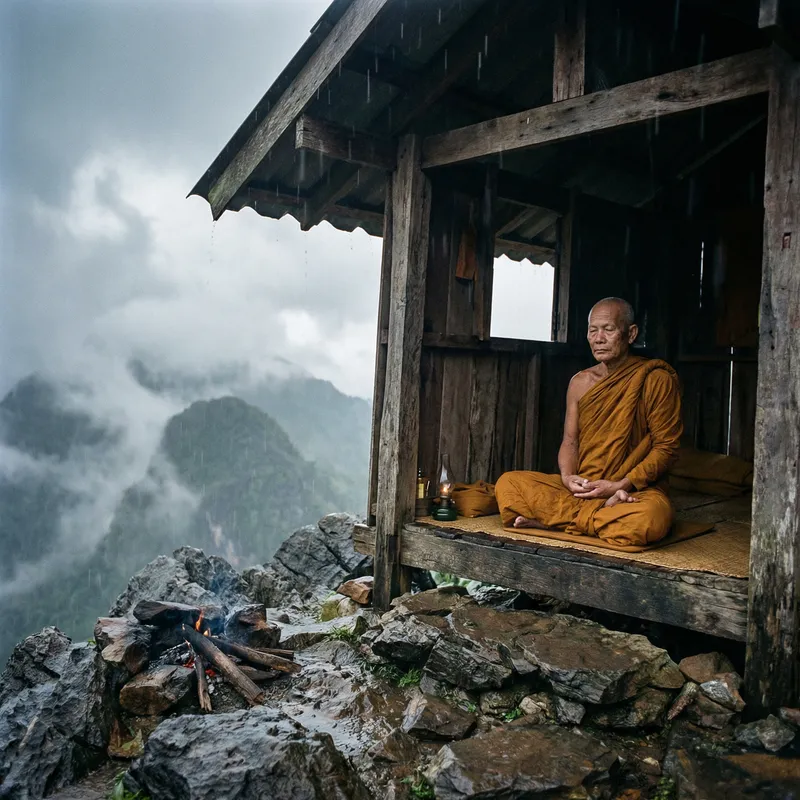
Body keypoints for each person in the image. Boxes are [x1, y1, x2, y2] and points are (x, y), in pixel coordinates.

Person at [495, 297, 682, 547]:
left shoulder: (655, 379)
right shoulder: (580, 383)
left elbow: (666, 448)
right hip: (585, 487)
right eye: (593, 330)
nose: (599, 338)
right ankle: (598, 515)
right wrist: (568, 477)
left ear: (631, 333)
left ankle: (555, 521)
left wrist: (619, 484)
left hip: (631, 490)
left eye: (608, 329)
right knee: (508, 484)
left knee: (651, 518)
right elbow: (570, 441)